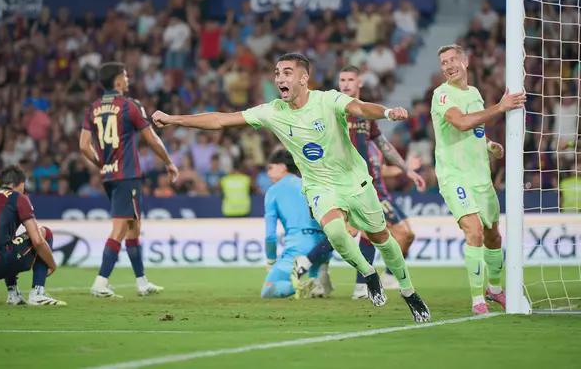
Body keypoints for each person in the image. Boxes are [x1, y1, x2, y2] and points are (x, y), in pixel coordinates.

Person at [153, 52, 431, 322]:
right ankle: (368, 273)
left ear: (303, 78)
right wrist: (175, 119)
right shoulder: (273, 111)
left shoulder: (327, 99)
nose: (280, 78)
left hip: (354, 181)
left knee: (382, 238)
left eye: (287, 72)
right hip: (320, 187)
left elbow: (358, 108)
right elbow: (221, 119)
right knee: (335, 231)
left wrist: (387, 112)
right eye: (277, 73)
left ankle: (409, 291)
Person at [295, 65, 427, 299]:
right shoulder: (331, 108)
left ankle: (317, 267)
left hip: (365, 183)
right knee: (349, 231)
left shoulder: (365, 114)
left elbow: (383, 145)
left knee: (363, 232)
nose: (345, 84)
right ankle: (336, 275)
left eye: (350, 79)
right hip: (337, 181)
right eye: (342, 80)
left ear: (360, 83)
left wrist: (406, 169)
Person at [431, 44, 526, 314]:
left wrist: (488, 145)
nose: (448, 66)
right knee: (474, 231)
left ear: (465, 61)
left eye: (452, 60)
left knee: (493, 236)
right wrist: (501, 107)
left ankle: (494, 290)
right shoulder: (441, 94)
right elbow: (461, 122)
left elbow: (473, 131)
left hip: (480, 176)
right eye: (443, 63)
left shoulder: (474, 93)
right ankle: (477, 300)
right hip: (454, 175)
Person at [79, 62, 179, 298]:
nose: (128, 79)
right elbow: (151, 138)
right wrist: (168, 162)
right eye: (124, 75)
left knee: (134, 227)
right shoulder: (129, 105)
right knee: (121, 227)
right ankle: (101, 282)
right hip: (127, 174)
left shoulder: (93, 108)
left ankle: (142, 282)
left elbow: (83, 145)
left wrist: (102, 163)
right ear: (117, 81)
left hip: (109, 175)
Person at [0, 165, 65, 306]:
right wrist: (52, 264)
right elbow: (38, 240)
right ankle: (38, 293)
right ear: (21, 184)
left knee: (8, 242)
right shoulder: (18, 197)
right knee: (44, 232)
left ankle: (13, 294)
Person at [261, 149, 329, 298]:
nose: (268, 173)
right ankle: (318, 275)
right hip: (323, 247)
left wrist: (271, 261)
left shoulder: (273, 191)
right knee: (317, 265)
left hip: (298, 249)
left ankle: (304, 284)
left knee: (268, 290)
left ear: (282, 167)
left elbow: (270, 236)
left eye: (270, 167)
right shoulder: (310, 184)